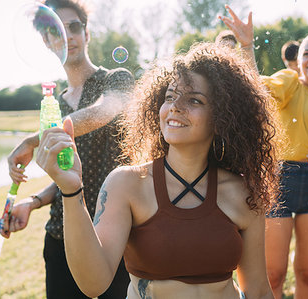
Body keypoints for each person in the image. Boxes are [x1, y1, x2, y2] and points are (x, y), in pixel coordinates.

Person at [36, 42, 279, 299]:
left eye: (194, 100)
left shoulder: (244, 192)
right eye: (170, 97)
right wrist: (72, 191)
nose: (175, 107)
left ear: (222, 119)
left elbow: (258, 290)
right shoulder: (126, 184)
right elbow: (93, 284)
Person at [0, 0, 134, 298]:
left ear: (87, 34)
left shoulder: (117, 79)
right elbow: (65, 177)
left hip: (114, 238)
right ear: (46, 42)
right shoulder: (53, 104)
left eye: (74, 27)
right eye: (57, 31)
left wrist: (33, 140)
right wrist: (32, 202)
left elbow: (103, 112)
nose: (67, 36)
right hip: (60, 239)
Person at [219, 5, 308, 299]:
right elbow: (255, 90)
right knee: (272, 274)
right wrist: (246, 46)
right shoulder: (291, 83)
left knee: (307, 273)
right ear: (299, 60)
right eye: (306, 53)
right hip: (280, 180)